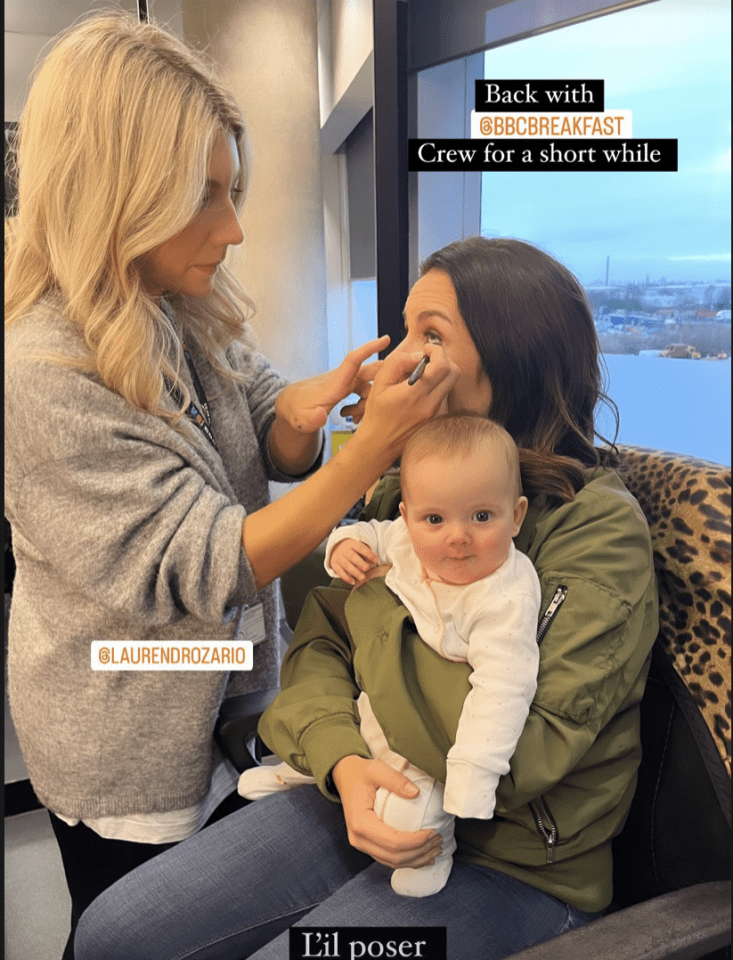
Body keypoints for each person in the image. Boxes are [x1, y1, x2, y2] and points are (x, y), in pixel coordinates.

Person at [3, 13, 457, 960]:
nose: (234, 228)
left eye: (233, 191)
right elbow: (206, 563)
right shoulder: (42, 371)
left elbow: (252, 408)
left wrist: (314, 407)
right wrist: (368, 453)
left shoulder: (171, 301)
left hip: (221, 695)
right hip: (122, 713)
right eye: (204, 196)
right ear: (114, 192)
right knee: (135, 930)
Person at [75, 236, 659, 960]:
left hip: (513, 859)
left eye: (431, 336)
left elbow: (520, 755)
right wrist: (343, 763)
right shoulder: (404, 487)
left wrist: (379, 602)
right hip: (364, 783)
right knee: (112, 935)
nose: (391, 364)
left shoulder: (594, 530)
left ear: (513, 355)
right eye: (406, 331)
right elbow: (319, 643)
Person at [238, 414, 541, 899]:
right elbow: (373, 533)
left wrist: (472, 778)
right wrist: (345, 546)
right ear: (410, 514)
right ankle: (308, 768)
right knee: (354, 729)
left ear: (516, 515)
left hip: (432, 743)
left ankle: (433, 852)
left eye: (482, 517)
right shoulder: (408, 536)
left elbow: (504, 690)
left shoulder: (505, 596)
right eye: (434, 520)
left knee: (411, 812)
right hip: (375, 701)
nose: (456, 537)